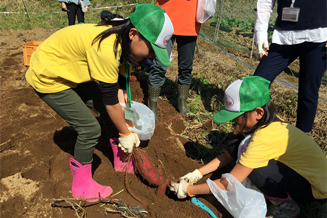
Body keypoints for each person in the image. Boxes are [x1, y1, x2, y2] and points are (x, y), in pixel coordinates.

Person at [25, 3, 174, 202]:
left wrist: (123, 100)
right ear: (133, 34)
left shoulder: (123, 40)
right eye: (151, 49)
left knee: (112, 111)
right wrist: (126, 133)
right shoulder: (107, 48)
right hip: (49, 73)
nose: (151, 56)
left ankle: (121, 159)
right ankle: (81, 185)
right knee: (90, 129)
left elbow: (119, 89)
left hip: (70, 69)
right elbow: (111, 102)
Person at [169, 76, 327, 218]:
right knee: (239, 145)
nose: (235, 121)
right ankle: (272, 194)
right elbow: (227, 156)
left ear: (258, 112)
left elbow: (229, 183)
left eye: (237, 116)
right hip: (293, 173)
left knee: (257, 169)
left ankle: (288, 210)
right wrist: (196, 173)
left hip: (313, 189)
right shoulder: (252, 125)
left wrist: (189, 190)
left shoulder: (265, 137)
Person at [253, 0, 327, 133]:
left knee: (308, 94)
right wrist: (260, 33)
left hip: (319, 37)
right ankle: (253, 131)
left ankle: (301, 141)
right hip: (284, 37)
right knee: (258, 83)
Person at [147, 0, 202, 120]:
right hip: (166, 17)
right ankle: (152, 103)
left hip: (190, 21)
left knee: (186, 67)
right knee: (159, 65)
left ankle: (182, 103)